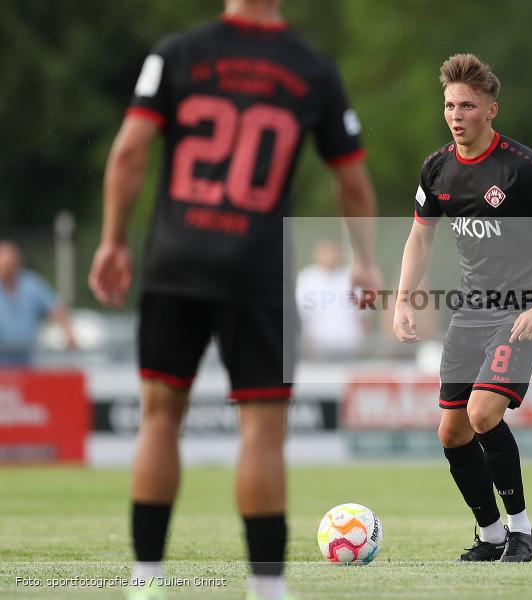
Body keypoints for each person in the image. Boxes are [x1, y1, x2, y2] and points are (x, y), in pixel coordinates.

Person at [88, 1, 380, 599]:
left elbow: (127, 152)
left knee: (160, 419)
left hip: (176, 261)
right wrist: (365, 260)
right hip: (256, 268)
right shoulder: (313, 70)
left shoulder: (177, 53)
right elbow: (351, 179)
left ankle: (146, 582)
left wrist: (114, 242)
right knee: (262, 435)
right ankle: (267, 589)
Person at [392, 54, 532, 562]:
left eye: (468, 106)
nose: (456, 115)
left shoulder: (524, 168)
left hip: (521, 311)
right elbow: (419, 237)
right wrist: (404, 299)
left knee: (481, 413)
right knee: (451, 430)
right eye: (450, 105)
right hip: (470, 312)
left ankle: (522, 530)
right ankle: (491, 534)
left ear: (491, 111)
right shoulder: (437, 168)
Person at [0, 240, 77, 366]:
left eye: (10, 263)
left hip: (27, 358)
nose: (7, 266)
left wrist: (68, 333)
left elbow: (56, 307)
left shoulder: (31, 284)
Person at [295, 239, 364, 359]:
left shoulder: (352, 276)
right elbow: (300, 316)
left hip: (350, 349)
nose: (330, 256)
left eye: (333, 251)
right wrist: (307, 345)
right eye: (326, 252)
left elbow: (364, 314)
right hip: (317, 350)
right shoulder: (306, 278)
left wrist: (363, 345)